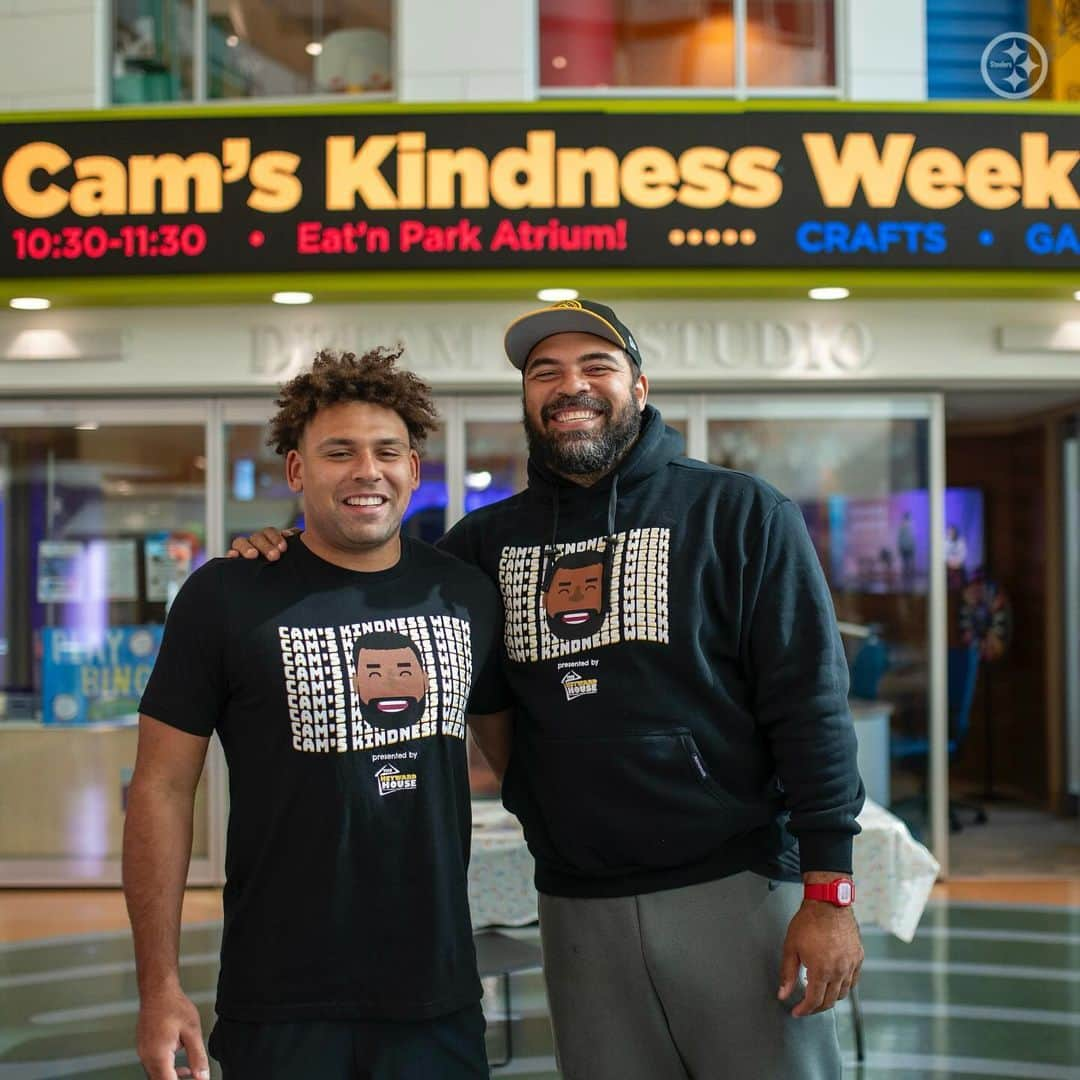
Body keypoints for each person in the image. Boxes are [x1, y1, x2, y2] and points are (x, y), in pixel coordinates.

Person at [233, 301, 865, 1080]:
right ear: (528, 398)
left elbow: (809, 705)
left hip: (738, 888)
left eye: (595, 367)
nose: (571, 386)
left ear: (639, 384)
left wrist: (828, 891)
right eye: (545, 373)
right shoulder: (481, 549)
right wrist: (282, 553)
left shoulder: (740, 514)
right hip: (575, 905)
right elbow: (384, 595)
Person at [124, 347, 511, 1080]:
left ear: (414, 469)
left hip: (437, 997)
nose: (368, 470)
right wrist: (159, 986)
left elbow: (514, 755)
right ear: (298, 471)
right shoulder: (225, 596)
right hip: (281, 1000)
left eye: (387, 451)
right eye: (340, 451)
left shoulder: (466, 594)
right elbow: (161, 790)